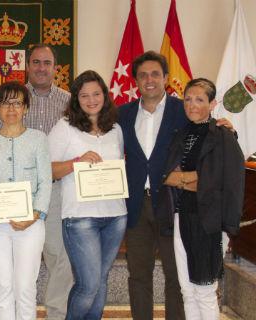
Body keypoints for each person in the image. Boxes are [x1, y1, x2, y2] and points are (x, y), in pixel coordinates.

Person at [119, 51, 234, 320]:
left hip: (173, 204)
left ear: (166, 79)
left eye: (155, 74)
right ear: (135, 80)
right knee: (138, 275)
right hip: (136, 206)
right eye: (143, 75)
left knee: (176, 276)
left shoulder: (181, 110)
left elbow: (204, 128)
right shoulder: (122, 114)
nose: (149, 79)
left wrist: (224, 127)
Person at [0, 44, 73, 320]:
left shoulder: (68, 102)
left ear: (55, 67)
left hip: (53, 189)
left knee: (57, 258)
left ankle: (55, 314)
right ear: (28, 66)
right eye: (36, 62)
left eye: (46, 63)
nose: (41, 67)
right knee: (10, 272)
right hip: (11, 193)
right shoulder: (12, 97)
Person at [156, 78, 244, 320]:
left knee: (205, 290)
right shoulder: (181, 135)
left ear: (212, 103)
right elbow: (165, 176)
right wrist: (193, 179)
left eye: (199, 99)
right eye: (187, 99)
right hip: (180, 216)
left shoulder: (223, 135)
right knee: (187, 290)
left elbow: (223, 183)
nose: (192, 105)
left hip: (209, 221)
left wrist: (187, 179)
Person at [48, 70, 127, 319]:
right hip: (81, 218)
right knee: (88, 284)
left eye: (96, 93)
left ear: (104, 94)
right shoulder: (64, 127)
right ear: (76, 99)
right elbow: (48, 169)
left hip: (115, 215)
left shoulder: (115, 129)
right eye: (84, 95)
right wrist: (77, 161)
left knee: (101, 281)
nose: (91, 99)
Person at [0, 81, 52, 320]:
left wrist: (35, 214)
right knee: (3, 286)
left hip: (31, 224)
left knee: (25, 287)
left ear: (26, 108)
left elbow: (45, 181)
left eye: (17, 103)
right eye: (5, 103)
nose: (11, 109)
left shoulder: (38, 139)